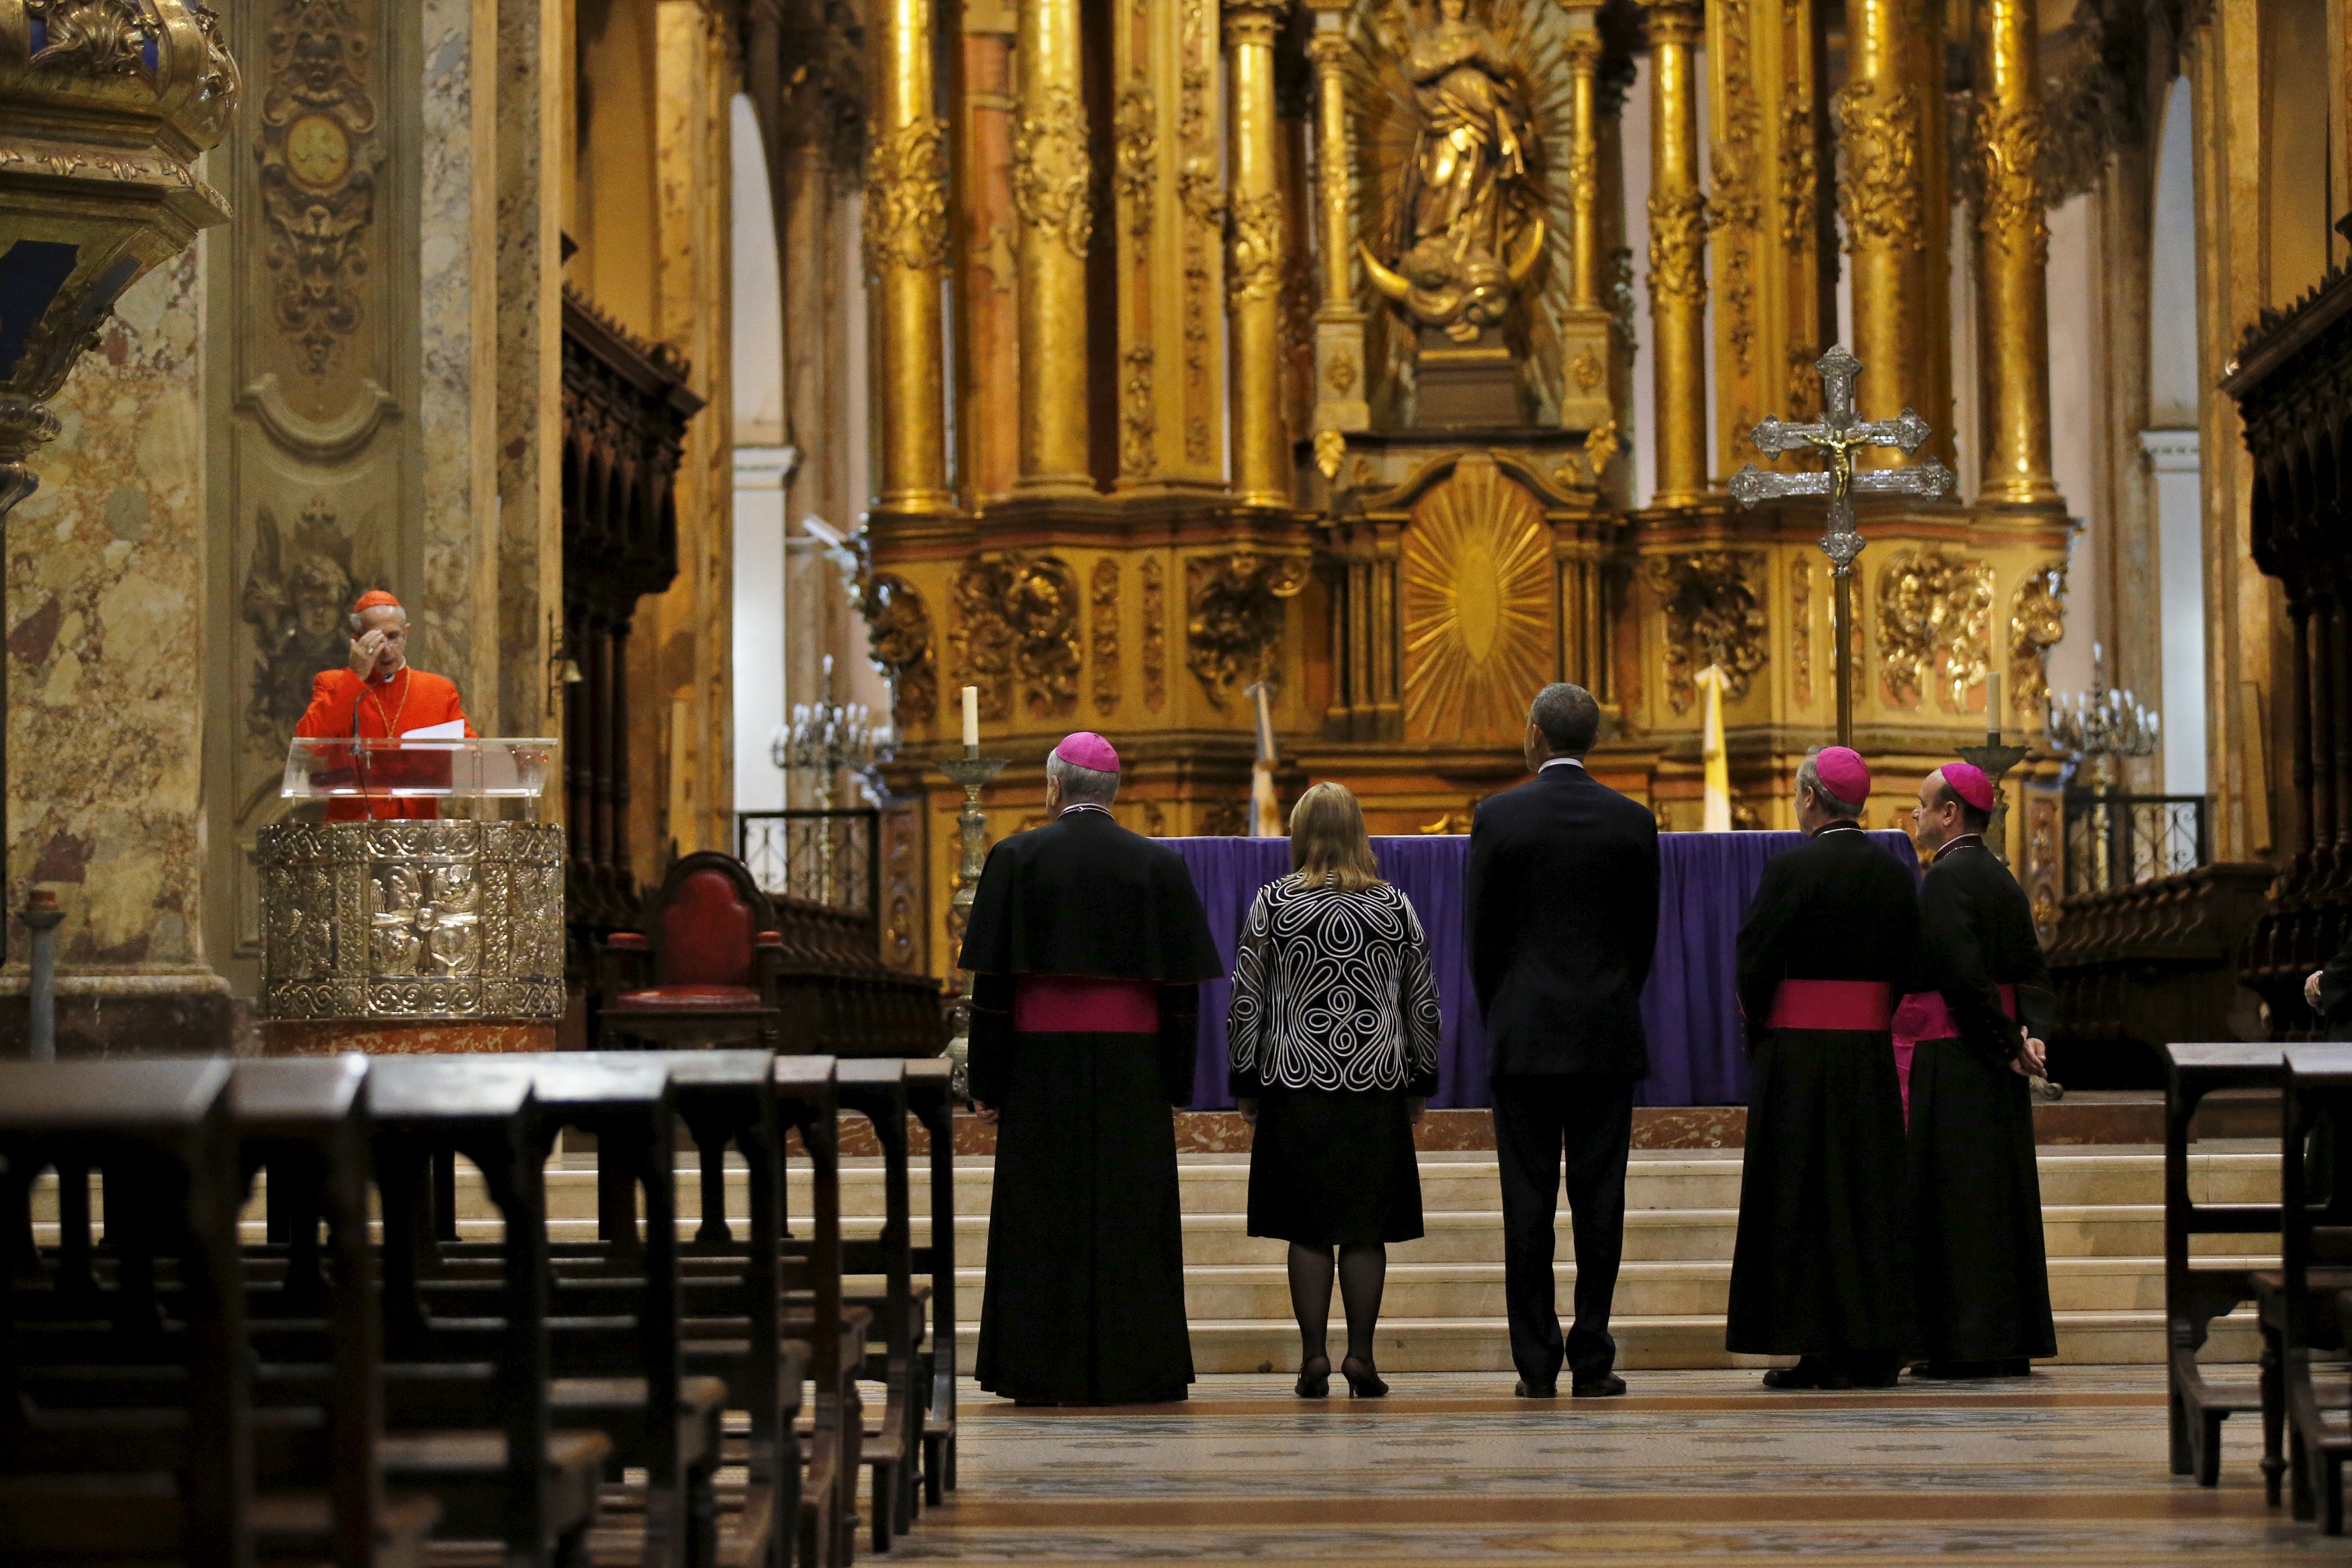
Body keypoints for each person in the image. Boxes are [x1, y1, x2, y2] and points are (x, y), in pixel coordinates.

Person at [960, 732, 1224, 1405]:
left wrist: (986, 1082)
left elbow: (991, 989)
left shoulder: (1015, 855)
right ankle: (1140, 1367)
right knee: (1129, 1217)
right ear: (1112, 791)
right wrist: (1175, 1082)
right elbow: (1179, 992)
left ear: (1053, 788)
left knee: (1041, 1218)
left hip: (1038, 1068)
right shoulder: (1155, 864)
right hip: (1132, 1069)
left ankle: (1035, 1368)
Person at [1466, 683, 1658, 1399]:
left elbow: (1480, 937)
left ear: (1535, 736)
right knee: (1599, 1201)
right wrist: (1610, 998)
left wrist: (1505, 1010)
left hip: (1523, 1036)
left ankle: (1535, 1364)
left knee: (1527, 1202)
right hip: (1605, 1033)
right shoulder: (1632, 821)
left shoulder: (1498, 817)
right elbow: (1642, 937)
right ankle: (1593, 1357)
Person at [1230, 782, 1441, 1399]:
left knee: (1308, 1228)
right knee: (1366, 1227)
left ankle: (1313, 1356)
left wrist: (1246, 1080)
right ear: (1359, 832)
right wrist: (1419, 1080)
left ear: (1300, 834)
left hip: (1295, 1082)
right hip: (1375, 1084)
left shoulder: (1274, 904)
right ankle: (1363, 1356)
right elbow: (1422, 1000)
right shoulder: (1394, 906)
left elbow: (1247, 998)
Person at [1726, 746, 1919, 1389]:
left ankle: (1818, 1348)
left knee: (1806, 1200)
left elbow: (1755, 959)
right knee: (1866, 1199)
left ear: (1810, 797)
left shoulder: (1790, 868)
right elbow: (1909, 964)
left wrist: (1759, 1026)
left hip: (1801, 1061)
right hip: (1866, 1057)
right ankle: (1876, 1345)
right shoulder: (1895, 872)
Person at [1897, 763, 2058, 1379]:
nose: (1915, 816)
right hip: (1996, 1056)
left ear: (1951, 813)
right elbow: (2032, 973)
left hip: (1958, 1058)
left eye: (1922, 806)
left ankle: (1960, 1347)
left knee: (1956, 1206)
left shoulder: (1946, 879)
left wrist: (2002, 1042)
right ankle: (2005, 1340)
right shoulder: (2003, 879)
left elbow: (1963, 978)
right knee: (2000, 1203)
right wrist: (2030, 1037)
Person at [292, 589, 475, 821]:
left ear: (406, 633)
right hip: (352, 835)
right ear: (356, 639)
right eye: (376, 639)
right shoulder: (333, 684)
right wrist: (356, 676)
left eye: (393, 637)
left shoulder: (439, 690)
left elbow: (472, 759)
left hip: (418, 834)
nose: (386, 649)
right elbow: (311, 745)